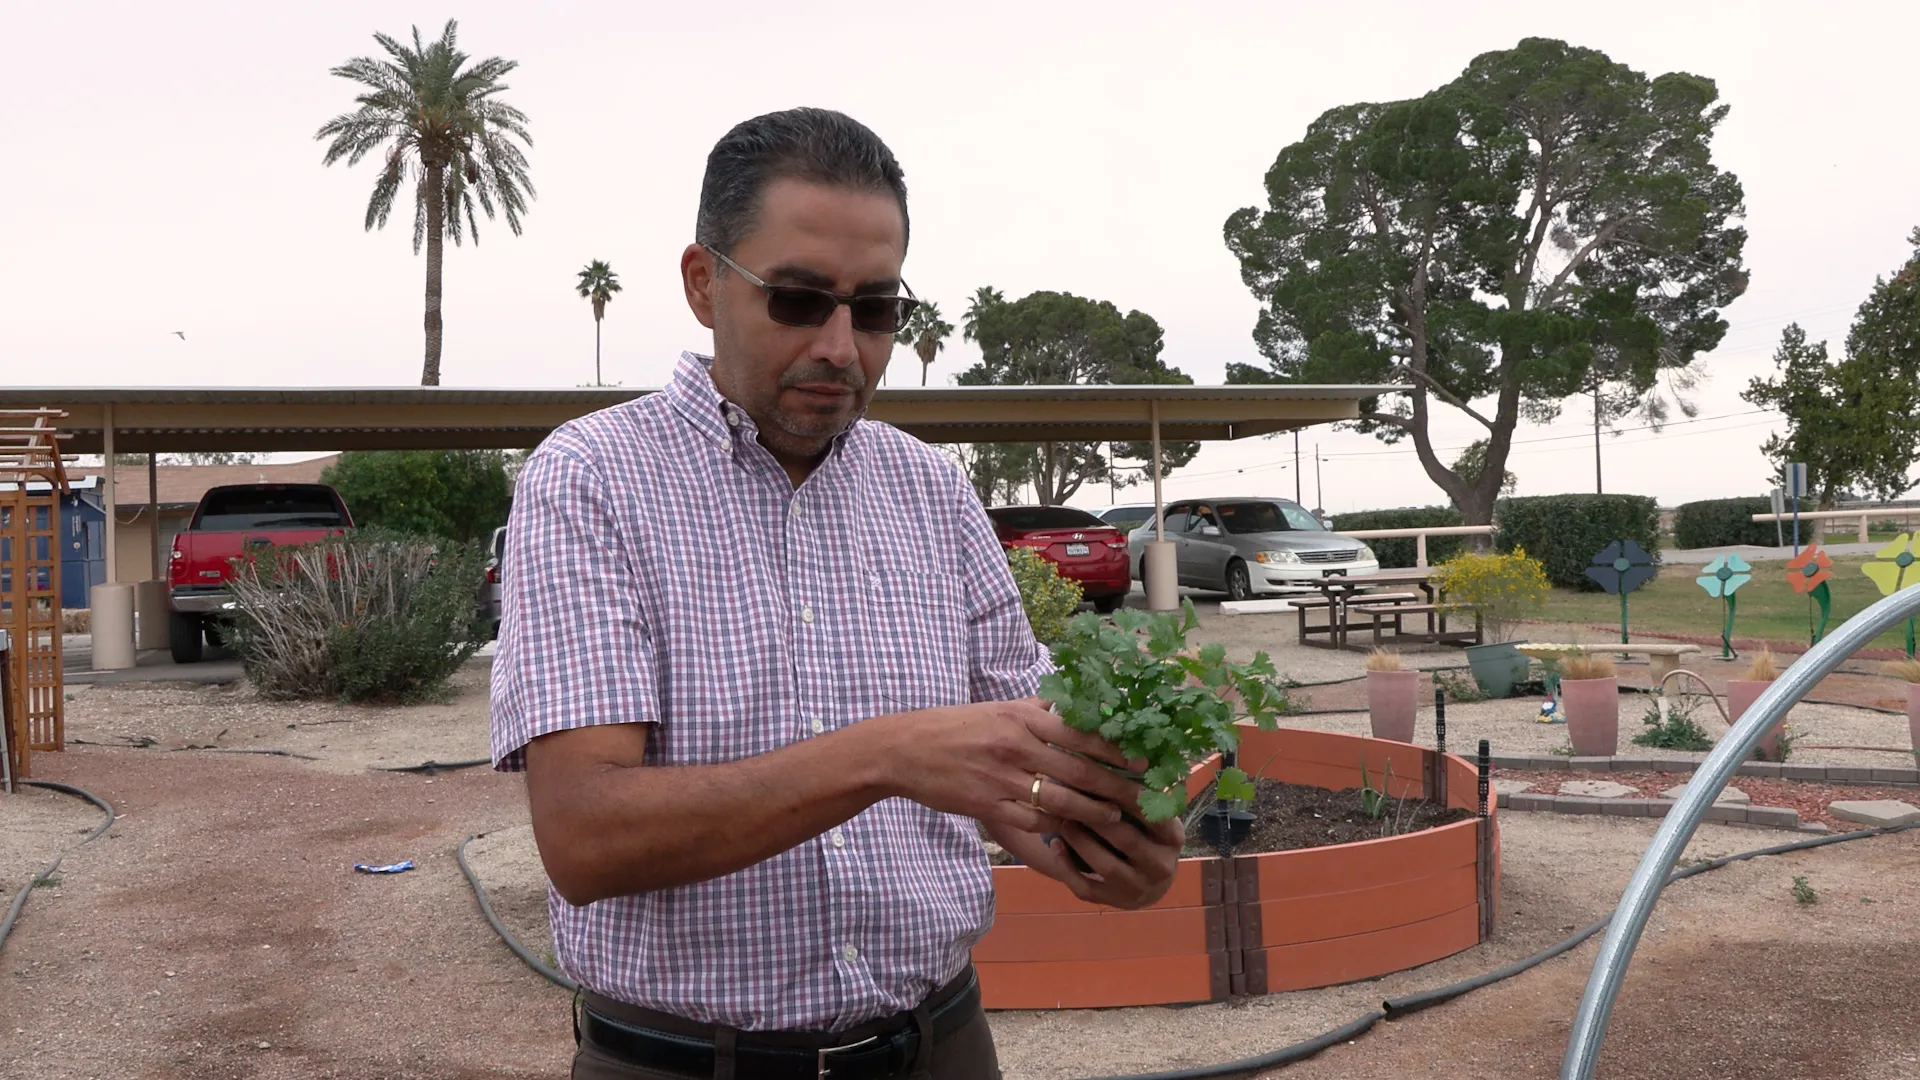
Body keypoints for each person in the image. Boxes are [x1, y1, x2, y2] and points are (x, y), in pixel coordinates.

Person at [489, 107, 1184, 1080]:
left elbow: (1021, 766)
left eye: (875, 309)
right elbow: (587, 836)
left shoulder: (931, 490)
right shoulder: (593, 482)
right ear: (703, 284)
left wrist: (1105, 841)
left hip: (940, 1046)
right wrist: (886, 756)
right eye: (798, 300)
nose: (840, 346)